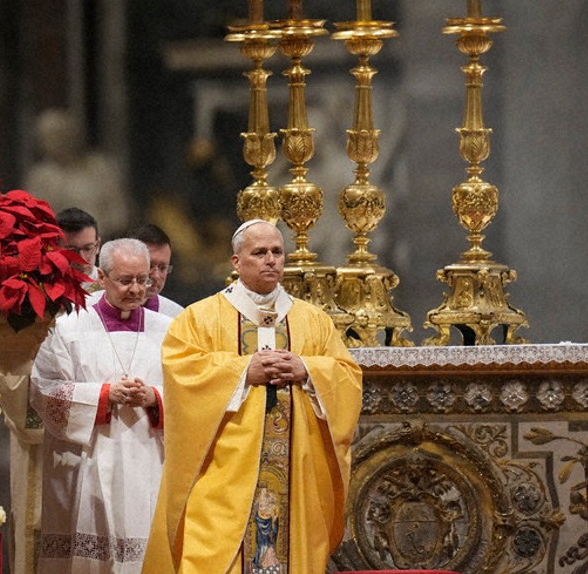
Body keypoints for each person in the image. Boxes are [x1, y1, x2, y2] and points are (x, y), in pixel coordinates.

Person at [142, 219, 362, 573]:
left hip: (295, 473)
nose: (270, 260)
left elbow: (347, 375)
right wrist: (244, 372)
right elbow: (182, 374)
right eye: (259, 253)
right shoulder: (200, 318)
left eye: (277, 252)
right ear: (236, 262)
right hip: (224, 475)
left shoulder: (312, 320)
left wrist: (307, 369)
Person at [31, 238, 171, 574]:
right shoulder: (69, 327)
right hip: (86, 462)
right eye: (125, 280)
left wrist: (155, 397)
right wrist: (103, 396)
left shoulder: (169, 331)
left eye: (143, 280)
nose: (136, 289)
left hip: (147, 458)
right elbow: (44, 389)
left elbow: (191, 391)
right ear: (101, 277)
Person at [24, 108, 132, 236]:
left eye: (59, 134)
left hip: (104, 242)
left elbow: (120, 214)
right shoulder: (40, 177)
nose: (54, 141)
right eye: (47, 137)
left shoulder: (100, 167)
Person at [123, 223, 184, 318]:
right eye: (150, 266)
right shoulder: (93, 306)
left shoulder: (177, 317)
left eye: (163, 267)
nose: (156, 276)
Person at [57, 206, 103, 290]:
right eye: (72, 251)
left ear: (98, 246)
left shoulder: (110, 289)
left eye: (88, 249)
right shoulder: (41, 287)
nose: (82, 260)